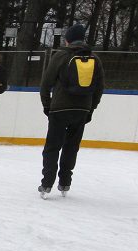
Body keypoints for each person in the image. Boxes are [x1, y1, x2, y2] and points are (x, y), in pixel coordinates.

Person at [38, 24, 105, 199]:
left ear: (67, 39)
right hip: (82, 110)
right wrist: (90, 109)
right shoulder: (94, 59)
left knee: (52, 147)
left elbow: (46, 83)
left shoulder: (61, 56)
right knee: (71, 147)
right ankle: (65, 183)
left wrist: (47, 105)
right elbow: (99, 88)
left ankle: (46, 184)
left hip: (60, 108)